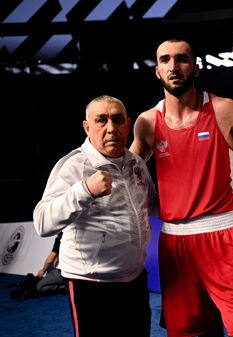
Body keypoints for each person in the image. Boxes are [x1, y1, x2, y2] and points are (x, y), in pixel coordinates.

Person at [130, 38, 233, 337]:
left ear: (196, 68)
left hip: (223, 235)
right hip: (174, 242)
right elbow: (126, 175)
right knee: (187, 333)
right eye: (165, 60)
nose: (173, 66)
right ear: (157, 71)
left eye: (182, 59)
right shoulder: (147, 122)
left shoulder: (225, 110)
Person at [33, 95, 156, 337]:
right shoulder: (73, 165)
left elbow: (150, 205)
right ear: (87, 127)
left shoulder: (136, 164)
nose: (111, 128)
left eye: (118, 120)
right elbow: (42, 221)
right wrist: (84, 190)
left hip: (135, 280)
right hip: (91, 286)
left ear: (128, 124)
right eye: (102, 120)